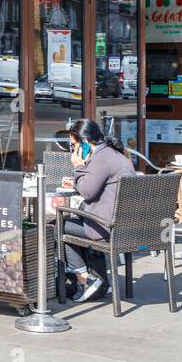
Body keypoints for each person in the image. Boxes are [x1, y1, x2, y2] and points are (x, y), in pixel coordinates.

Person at [56, 119, 133, 304]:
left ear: (84, 142)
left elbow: (87, 192)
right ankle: (100, 280)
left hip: (108, 227)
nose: (73, 150)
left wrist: (78, 167)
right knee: (79, 216)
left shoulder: (101, 158)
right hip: (126, 227)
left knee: (60, 226)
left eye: (73, 145)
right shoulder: (116, 154)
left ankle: (86, 279)